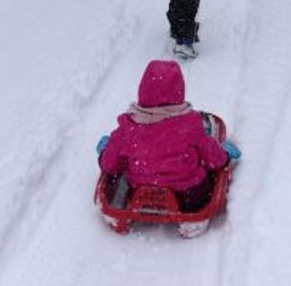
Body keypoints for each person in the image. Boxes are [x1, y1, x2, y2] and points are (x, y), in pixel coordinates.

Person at [97, 60, 239, 212]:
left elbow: (109, 166)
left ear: (143, 90)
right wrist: (224, 156)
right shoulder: (190, 125)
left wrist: (107, 151)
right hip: (190, 194)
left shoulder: (128, 127)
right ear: (179, 92)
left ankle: (141, 206)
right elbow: (214, 158)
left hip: (140, 189)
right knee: (206, 171)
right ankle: (193, 219)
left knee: (127, 167)